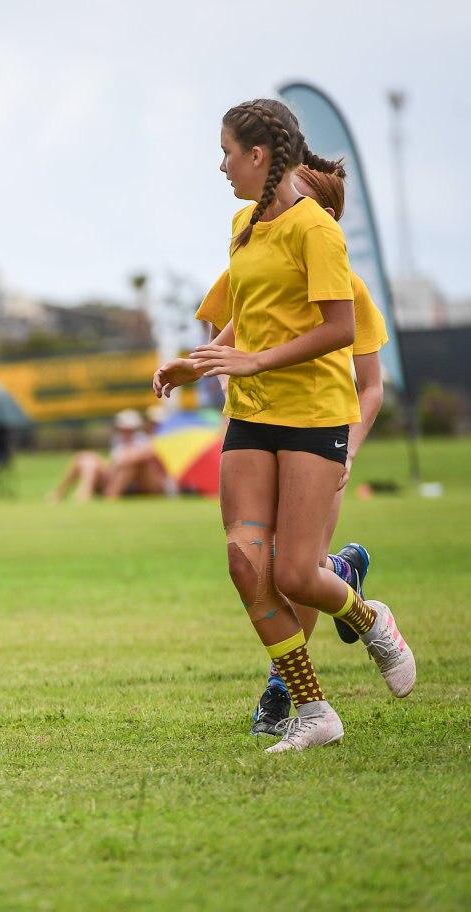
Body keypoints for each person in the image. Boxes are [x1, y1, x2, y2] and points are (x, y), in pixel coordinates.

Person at [150, 98, 412, 753]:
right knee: (245, 565)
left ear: (258, 154)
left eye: (227, 152)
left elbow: (340, 328)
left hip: (315, 417)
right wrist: (200, 365)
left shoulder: (316, 232)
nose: (221, 165)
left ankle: (369, 617)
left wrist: (254, 359)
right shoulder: (244, 225)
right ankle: (311, 708)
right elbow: (248, 313)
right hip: (250, 414)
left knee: (296, 574)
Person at [47, 409, 166, 502]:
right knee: (86, 458)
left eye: (128, 429)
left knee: (129, 462)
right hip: (114, 475)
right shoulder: (117, 440)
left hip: (134, 484)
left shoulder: (144, 441)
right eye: (122, 429)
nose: (125, 431)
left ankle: (110, 495)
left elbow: (136, 459)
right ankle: (72, 493)